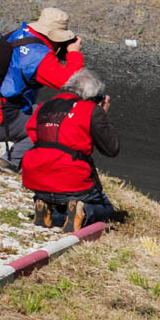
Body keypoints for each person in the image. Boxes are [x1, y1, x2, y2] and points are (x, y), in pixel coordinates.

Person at [0, 9, 85, 169]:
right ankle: (11, 162)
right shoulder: (39, 54)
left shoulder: (15, 35)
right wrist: (74, 54)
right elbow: (71, 84)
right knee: (53, 118)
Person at [22, 68, 120, 232]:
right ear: (91, 96)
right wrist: (103, 115)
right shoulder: (91, 110)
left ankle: (44, 204)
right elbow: (112, 149)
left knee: (60, 202)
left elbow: (32, 134)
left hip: (36, 178)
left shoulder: (43, 107)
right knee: (106, 208)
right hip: (72, 179)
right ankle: (83, 211)